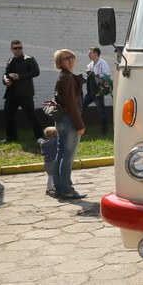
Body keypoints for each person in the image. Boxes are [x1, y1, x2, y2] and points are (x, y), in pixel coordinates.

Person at [51, 49, 86, 200]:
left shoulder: (63, 77)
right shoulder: (68, 78)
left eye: (71, 57)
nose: (70, 60)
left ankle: (59, 188)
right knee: (67, 157)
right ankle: (66, 189)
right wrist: (79, 125)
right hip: (69, 120)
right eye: (65, 59)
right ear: (60, 63)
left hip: (62, 120)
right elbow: (72, 104)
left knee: (61, 154)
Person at [1, 40, 43, 143]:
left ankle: (39, 137)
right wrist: (5, 80)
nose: (18, 50)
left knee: (31, 115)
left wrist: (20, 76)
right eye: (15, 48)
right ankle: (11, 137)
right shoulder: (10, 60)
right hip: (11, 93)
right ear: (11, 49)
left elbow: (36, 72)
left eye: (20, 47)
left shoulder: (29, 59)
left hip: (25, 93)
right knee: (8, 115)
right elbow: (5, 74)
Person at [82, 47, 111, 133]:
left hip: (98, 91)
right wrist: (84, 79)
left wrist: (96, 75)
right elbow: (89, 76)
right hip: (90, 91)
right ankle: (81, 128)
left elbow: (107, 77)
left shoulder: (103, 64)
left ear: (96, 53)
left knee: (101, 111)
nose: (88, 54)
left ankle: (104, 129)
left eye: (90, 53)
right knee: (81, 108)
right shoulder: (90, 65)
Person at [40, 126, 59, 195]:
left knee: (50, 176)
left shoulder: (43, 143)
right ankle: (49, 189)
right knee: (52, 176)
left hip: (47, 162)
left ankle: (49, 188)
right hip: (53, 161)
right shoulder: (55, 141)